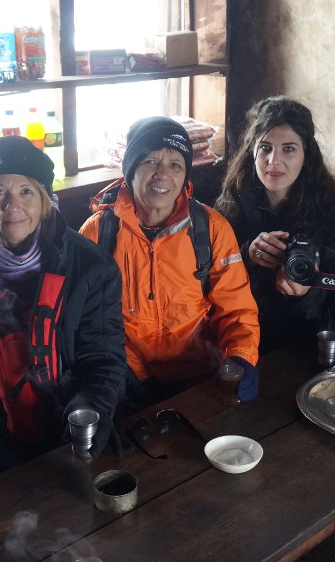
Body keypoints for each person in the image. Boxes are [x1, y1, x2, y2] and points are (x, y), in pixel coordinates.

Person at [0, 135, 127, 479]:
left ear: (45, 201)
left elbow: (103, 359)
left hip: (64, 419)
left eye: (26, 191)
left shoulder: (90, 267)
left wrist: (91, 410)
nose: (12, 204)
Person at [79, 116, 260, 408]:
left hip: (200, 376)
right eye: (150, 162)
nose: (162, 175)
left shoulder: (211, 229)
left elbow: (237, 309)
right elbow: (84, 320)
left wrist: (241, 357)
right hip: (126, 379)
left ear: (185, 176)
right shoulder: (98, 233)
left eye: (175, 164)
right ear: (130, 171)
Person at [216, 96, 335, 353]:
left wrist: (305, 292)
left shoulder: (332, 206)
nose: (274, 161)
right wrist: (246, 254)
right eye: (266, 147)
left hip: (306, 336)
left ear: (307, 154)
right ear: (253, 150)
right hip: (239, 330)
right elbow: (209, 271)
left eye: (289, 149)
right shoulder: (234, 198)